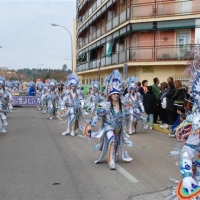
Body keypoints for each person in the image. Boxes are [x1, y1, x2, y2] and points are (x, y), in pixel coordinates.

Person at [83, 69, 133, 170]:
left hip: (118, 127)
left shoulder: (122, 104)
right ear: (110, 94)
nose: (116, 96)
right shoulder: (105, 105)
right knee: (111, 140)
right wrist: (91, 125)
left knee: (116, 143)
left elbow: (127, 113)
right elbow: (98, 117)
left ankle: (113, 155)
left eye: (118, 94)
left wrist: (127, 115)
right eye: (114, 94)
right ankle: (111, 161)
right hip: (108, 127)